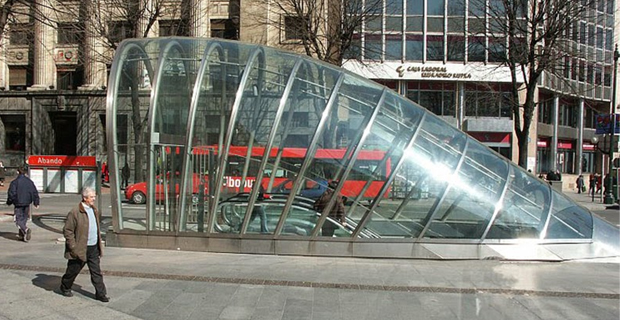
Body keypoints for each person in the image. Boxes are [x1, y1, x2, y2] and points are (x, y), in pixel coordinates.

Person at [59, 187, 109, 302]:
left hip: (93, 247)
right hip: (80, 248)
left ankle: (101, 294)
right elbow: (68, 230)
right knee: (73, 270)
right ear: (85, 198)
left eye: (94, 197)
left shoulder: (93, 209)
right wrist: (73, 246)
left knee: (96, 272)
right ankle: (65, 286)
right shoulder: (75, 211)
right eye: (92, 197)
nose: (94, 199)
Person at [6, 166, 40, 242]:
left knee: (18, 220)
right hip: (27, 202)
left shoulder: (15, 182)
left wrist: (9, 201)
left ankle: (25, 229)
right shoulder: (29, 182)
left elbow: (12, 193)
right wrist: (36, 202)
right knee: (24, 219)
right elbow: (34, 192)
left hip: (18, 203)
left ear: (18, 172)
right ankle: (22, 235)